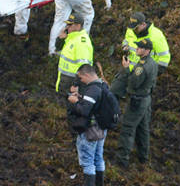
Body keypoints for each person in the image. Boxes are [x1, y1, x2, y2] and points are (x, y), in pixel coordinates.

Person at [115, 39, 158, 167]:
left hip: (137, 100)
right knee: (143, 129)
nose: (137, 49)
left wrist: (126, 69)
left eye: (140, 48)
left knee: (128, 128)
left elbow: (133, 83)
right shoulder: (153, 63)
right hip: (146, 99)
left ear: (147, 50)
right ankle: (143, 157)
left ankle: (122, 160)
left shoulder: (141, 67)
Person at [66, 64, 111, 186]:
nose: (81, 81)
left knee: (88, 163)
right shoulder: (103, 85)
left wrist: (75, 102)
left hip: (91, 130)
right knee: (98, 158)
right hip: (102, 128)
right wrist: (81, 98)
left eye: (81, 78)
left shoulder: (92, 90)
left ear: (86, 75)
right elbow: (94, 105)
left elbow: (84, 111)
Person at [111, 11, 171, 98]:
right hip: (128, 69)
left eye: (136, 27)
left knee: (136, 101)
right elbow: (126, 40)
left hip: (143, 74)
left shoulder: (156, 36)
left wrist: (152, 73)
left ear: (143, 24)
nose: (133, 30)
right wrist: (124, 47)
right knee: (113, 92)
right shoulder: (131, 30)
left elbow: (164, 58)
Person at [56, 13, 94, 94]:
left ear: (78, 26)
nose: (67, 27)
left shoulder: (82, 42)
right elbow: (58, 50)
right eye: (67, 24)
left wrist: (76, 85)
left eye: (70, 25)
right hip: (64, 81)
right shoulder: (72, 38)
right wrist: (61, 39)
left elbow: (84, 67)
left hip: (72, 84)